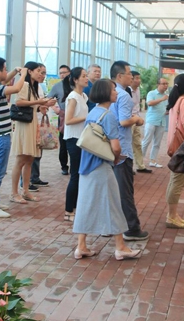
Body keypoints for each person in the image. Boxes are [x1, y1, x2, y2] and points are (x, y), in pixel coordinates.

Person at [72, 79, 142, 261]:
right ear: (105, 93)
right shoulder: (108, 116)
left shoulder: (93, 112)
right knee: (113, 204)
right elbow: (116, 146)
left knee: (86, 204)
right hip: (101, 166)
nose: (116, 92)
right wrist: (116, 158)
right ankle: (120, 247)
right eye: (113, 90)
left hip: (87, 164)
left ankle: (81, 246)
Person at [0, 58, 27, 218]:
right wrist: (23, 74)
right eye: (5, 69)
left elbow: (6, 80)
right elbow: (16, 88)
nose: (7, 72)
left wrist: (15, 71)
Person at [110, 61, 149, 241]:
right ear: (119, 76)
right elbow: (124, 121)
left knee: (115, 189)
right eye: (128, 74)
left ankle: (111, 225)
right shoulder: (124, 95)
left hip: (111, 147)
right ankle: (131, 228)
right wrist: (137, 120)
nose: (131, 77)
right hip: (122, 150)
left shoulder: (110, 93)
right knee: (125, 191)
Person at [10, 62, 56, 204]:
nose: (41, 75)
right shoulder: (24, 84)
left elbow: (32, 105)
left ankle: (25, 190)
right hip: (24, 126)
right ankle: (14, 193)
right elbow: (19, 102)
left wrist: (43, 105)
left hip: (31, 124)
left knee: (29, 159)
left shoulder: (34, 86)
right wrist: (38, 102)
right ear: (29, 71)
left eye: (43, 72)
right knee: (21, 160)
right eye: (39, 71)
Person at [165, 74, 184, 229]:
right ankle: (171, 216)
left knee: (174, 181)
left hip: (175, 146)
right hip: (182, 147)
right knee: (177, 182)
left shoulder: (176, 101)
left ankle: (172, 214)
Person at [62, 67, 89, 222]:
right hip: (73, 139)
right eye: (83, 76)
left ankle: (76, 208)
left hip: (82, 138)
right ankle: (68, 211)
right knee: (75, 175)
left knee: (80, 174)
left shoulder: (83, 96)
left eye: (86, 76)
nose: (86, 78)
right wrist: (87, 118)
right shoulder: (73, 97)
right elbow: (68, 120)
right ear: (75, 79)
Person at [47, 65, 71, 175]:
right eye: (61, 73)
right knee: (63, 143)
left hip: (76, 116)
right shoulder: (57, 86)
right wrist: (55, 108)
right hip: (63, 117)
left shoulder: (75, 85)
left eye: (65, 72)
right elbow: (48, 99)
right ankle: (64, 166)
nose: (63, 75)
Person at [142, 78, 169, 168]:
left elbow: (166, 107)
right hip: (152, 120)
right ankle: (140, 161)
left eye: (166, 84)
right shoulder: (152, 93)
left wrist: (167, 111)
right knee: (146, 141)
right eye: (163, 84)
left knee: (157, 143)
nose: (165, 85)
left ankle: (153, 161)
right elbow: (149, 103)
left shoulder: (166, 96)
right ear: (158, 84)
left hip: (162, 121)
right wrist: (162, 99)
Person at [130, 71, 152, 174]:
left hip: (137, 120)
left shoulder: (138, 90)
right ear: (131, 79)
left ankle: (140, 166)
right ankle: (129, 167)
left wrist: (138, 117)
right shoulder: (127, 91)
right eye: (137, 78)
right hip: (129, 120)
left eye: (139, 78)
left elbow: (137, 105)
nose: (139, 80)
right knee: (128, 145)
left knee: (137, 144)